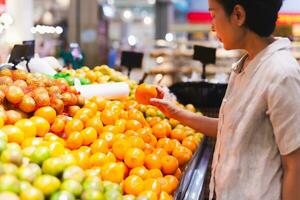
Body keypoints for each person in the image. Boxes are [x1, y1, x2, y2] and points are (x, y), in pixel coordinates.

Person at [150, 0, 300, 199]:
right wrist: (175, 112)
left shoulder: (282, 73)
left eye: (213, 15)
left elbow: (295, 164)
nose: (211, 26)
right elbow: (230, 128)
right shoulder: (245, 65)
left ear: (238, 15)